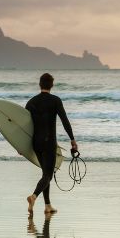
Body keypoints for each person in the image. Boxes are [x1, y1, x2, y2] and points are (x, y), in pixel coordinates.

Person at [26, 73, 77, 215]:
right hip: (49, 142)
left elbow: (24, 125)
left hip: (36, 143)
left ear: (40, 84)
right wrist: (72, 139)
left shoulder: (31, 102)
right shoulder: (55, 101)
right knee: (48, 175)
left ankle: (47, 206)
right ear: (52, 85)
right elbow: (65, 120)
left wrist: (22, 145)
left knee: (45, 174)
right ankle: (34, 196)